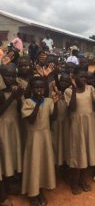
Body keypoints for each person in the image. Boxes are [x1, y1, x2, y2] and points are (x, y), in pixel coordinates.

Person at [21, 76, 59, 206]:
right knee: (34, 164)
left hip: (45, 136)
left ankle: (41, 190)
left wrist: (56, 103)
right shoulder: (28, 102)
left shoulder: (48, 101)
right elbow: (31, 120)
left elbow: (53, 117)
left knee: (43, 164)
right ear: (32, 89)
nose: (39, 90)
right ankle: (33, 194)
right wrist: (37, 103)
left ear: (45, 89)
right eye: (36, 87)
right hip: (34, 138)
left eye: (41, 88)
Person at [64, 68, 95, 195]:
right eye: (81, 77)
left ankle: (83, 180)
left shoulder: (90, 89)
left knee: (87, 152)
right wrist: (74, 89)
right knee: (77, 153)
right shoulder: (68, 91)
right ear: (74, 78)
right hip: (76, 126)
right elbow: (72, 108)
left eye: (85, 77)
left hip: (88, 125)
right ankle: (74, 183)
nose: (84, 79)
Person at [0, 63, 23, 194]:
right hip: (3, 127)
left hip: (14, 126)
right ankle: (5, 189)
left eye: (13, 75)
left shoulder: (15, 89)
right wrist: (13, 97)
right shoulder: (1, 92)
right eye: (7, 75)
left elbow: (20, 111)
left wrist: (19, 98)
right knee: (5, 156)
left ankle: (11, 186)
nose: (10, 78)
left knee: (13, 155)